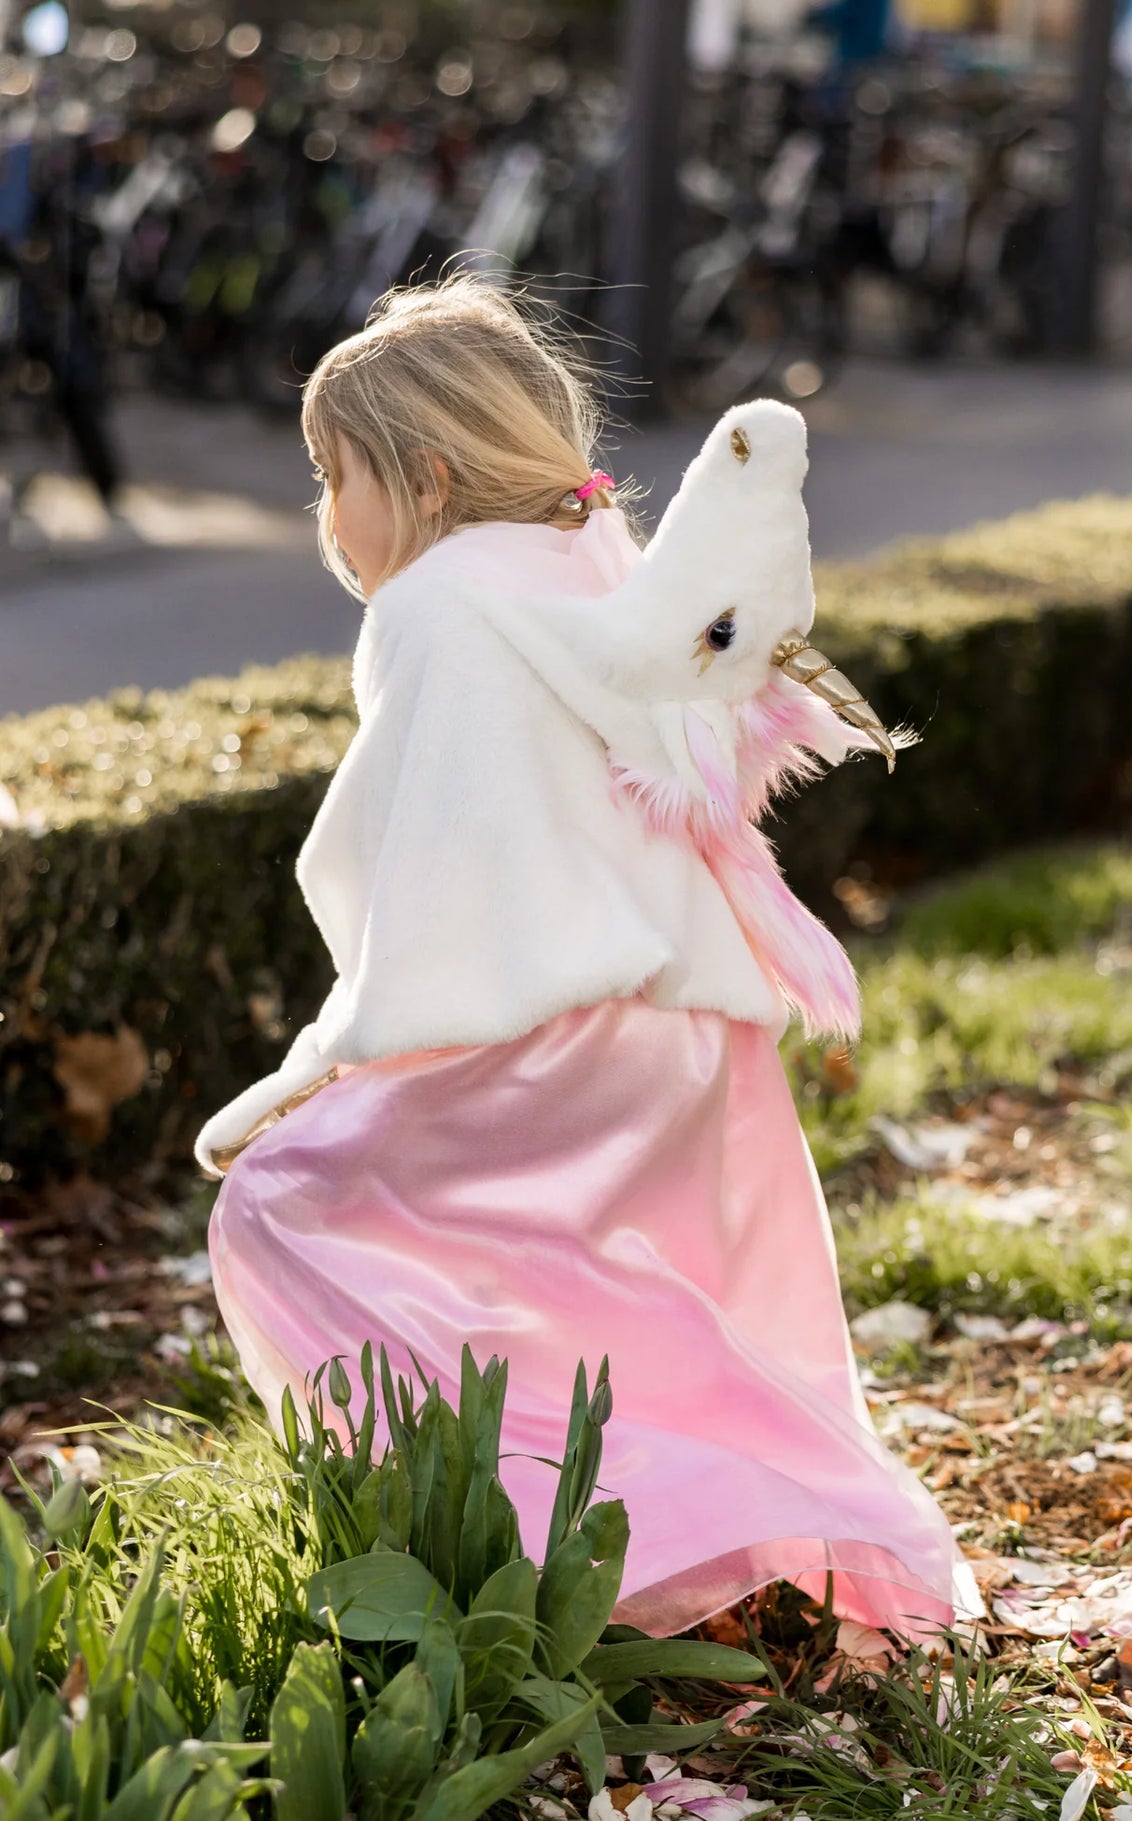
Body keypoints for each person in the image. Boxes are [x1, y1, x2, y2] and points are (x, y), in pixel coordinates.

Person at [196, 274, 974, 1642]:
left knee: (287, 1207)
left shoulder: (436, 605)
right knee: (622, 1294)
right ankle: (687, 1531)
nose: (326, 518)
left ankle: (502, 1546)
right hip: (689, 1026)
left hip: (554, 1021)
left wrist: (324, 1066)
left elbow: (439, 868)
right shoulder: (602, 565)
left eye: (334, 475)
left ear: (424, 475)